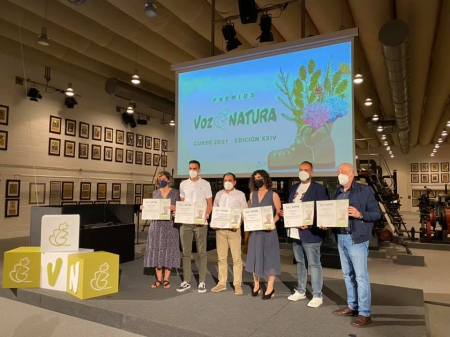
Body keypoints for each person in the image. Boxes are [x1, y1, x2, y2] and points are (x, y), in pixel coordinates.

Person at [330, 163, 381, 327]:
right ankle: (352, 306)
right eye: (338, 172)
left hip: (356, 239)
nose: (340, 175)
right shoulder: (336, 193)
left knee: (361, 277)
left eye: (343, 172)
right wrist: (327, 223)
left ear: (352, 174)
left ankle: (365, 313)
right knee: (347, 275)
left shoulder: (365, 191)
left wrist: (360, 215)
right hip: (341, 238)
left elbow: (376, 214)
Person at [281, 161, 329, 307]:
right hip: (295, 232)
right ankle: (301, 290)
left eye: (306, 169)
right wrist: (286, 214)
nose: (303, 172)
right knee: (300, 263)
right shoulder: (294, 188)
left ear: (311, 172)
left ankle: (317, 295)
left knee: (314, 264)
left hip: (311, 233)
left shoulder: (319, 189)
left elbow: (324, 211)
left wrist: (310, 223)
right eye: (301, 169)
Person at [177, 160, 213, 293]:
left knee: (201, 252)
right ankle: (186, 280)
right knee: (186, 252)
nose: (192, 170)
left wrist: (207, 215)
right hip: (186, 222)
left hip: (200, 222)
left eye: (194, 168)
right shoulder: (183, 184)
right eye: (190, 168)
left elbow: (209, 202)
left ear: (199, 170)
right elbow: (182, 202)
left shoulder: (206, 184)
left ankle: (202, 281)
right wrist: (180, 213)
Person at [245, 170, 282, 300]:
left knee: (270, 257)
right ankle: (257, 285)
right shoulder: (252, 195)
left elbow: (279, 212)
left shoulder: (273, 195)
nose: (257, 179)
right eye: (255, 178)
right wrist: (246, 218)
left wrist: (272, 222)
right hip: (255, 232)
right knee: (255, 256)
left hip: (269, 231)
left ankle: (270, 288)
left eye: (259, 177)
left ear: (265, 179)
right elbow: (251, 212)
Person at [210, 172, 248, 295]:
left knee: (236, 258)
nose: (227, 182)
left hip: (234, 230)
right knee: (221, 258)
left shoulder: (240, 195)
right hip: (220, 231)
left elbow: (245, 212)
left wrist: (238, 222)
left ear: (234, 182)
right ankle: (222, 283)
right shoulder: (219, 194)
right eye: (225, 180)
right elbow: (215, 210)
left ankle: (237, 284)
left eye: (230, 180)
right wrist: (214, 222)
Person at [142, 171, 180, 289]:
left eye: (163, 178)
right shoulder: (155, 193)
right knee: (157, 249)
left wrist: (176, 208)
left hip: (170, 225)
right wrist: (144, 207)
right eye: (159, 179)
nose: (161, 181)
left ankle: (166, 279)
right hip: (156, 225)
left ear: (168, 180)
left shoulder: (175, 193)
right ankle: (158, 279)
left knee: (169, 249)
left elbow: (180, 208)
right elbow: (152, 208)